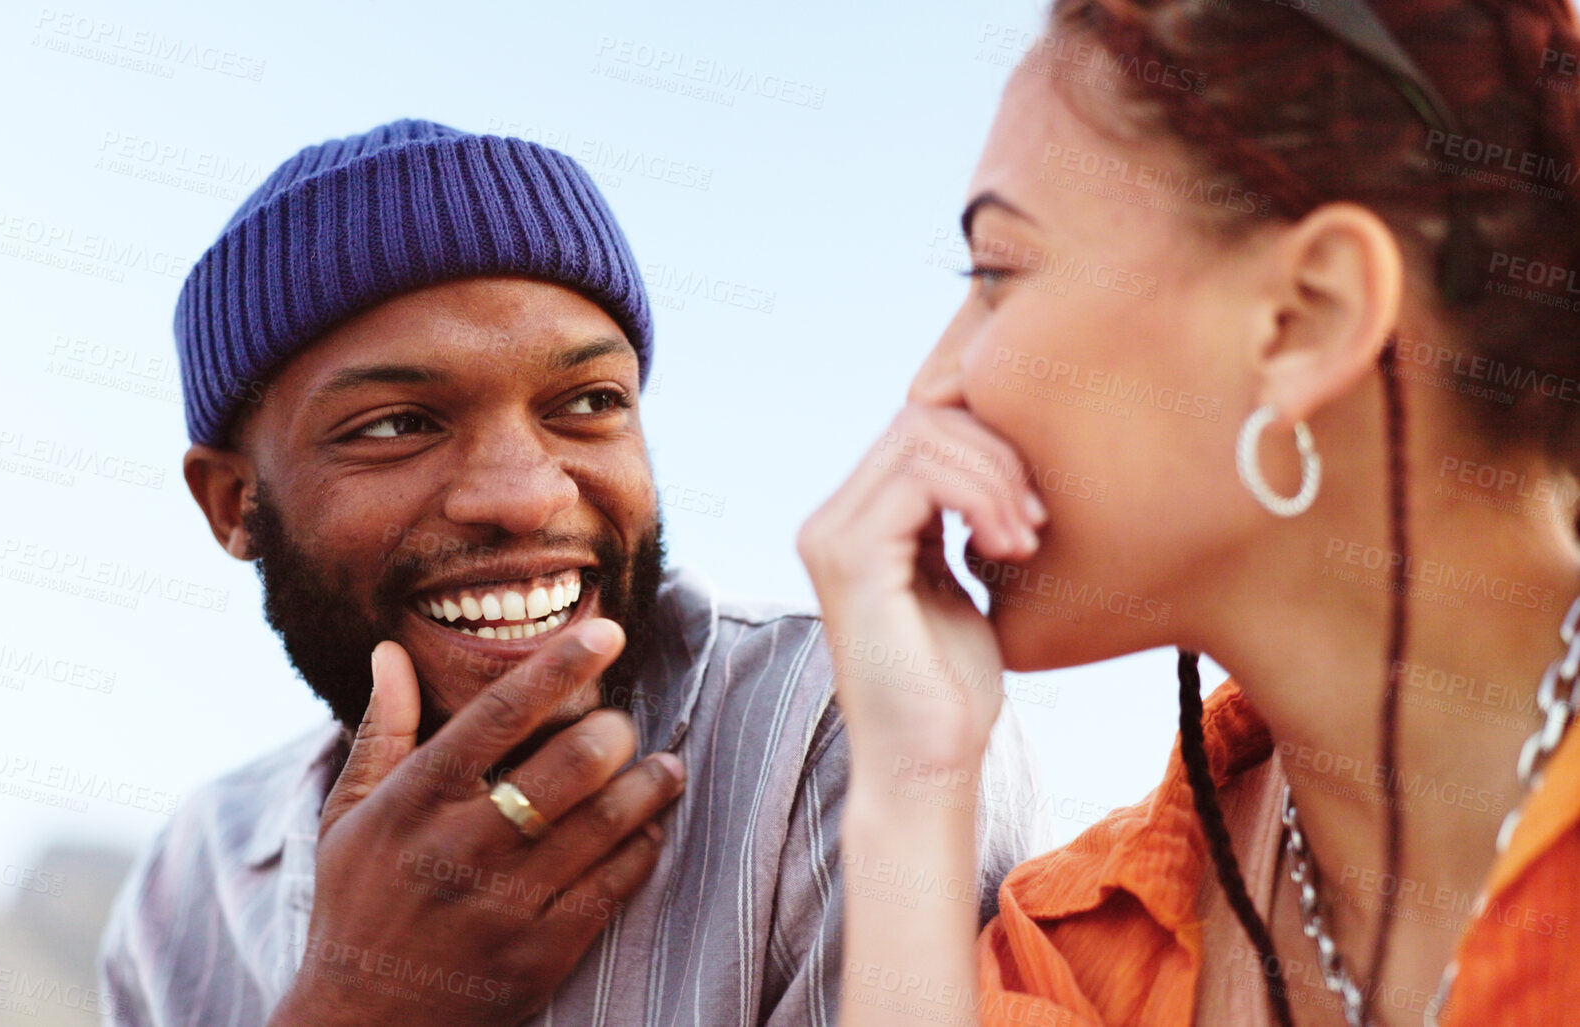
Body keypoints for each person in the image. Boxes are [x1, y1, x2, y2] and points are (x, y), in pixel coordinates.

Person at [97, 119, 1046, 1027]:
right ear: (232, 503)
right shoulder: (190, 884)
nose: (523, 494)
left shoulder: (847, 725)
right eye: (394, 424)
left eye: (588, 402)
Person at [801, 0, 1580, 1024]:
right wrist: (909, 786)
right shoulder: (1077, 950)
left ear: (1308, 320)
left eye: (996, 272)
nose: (930, 386)